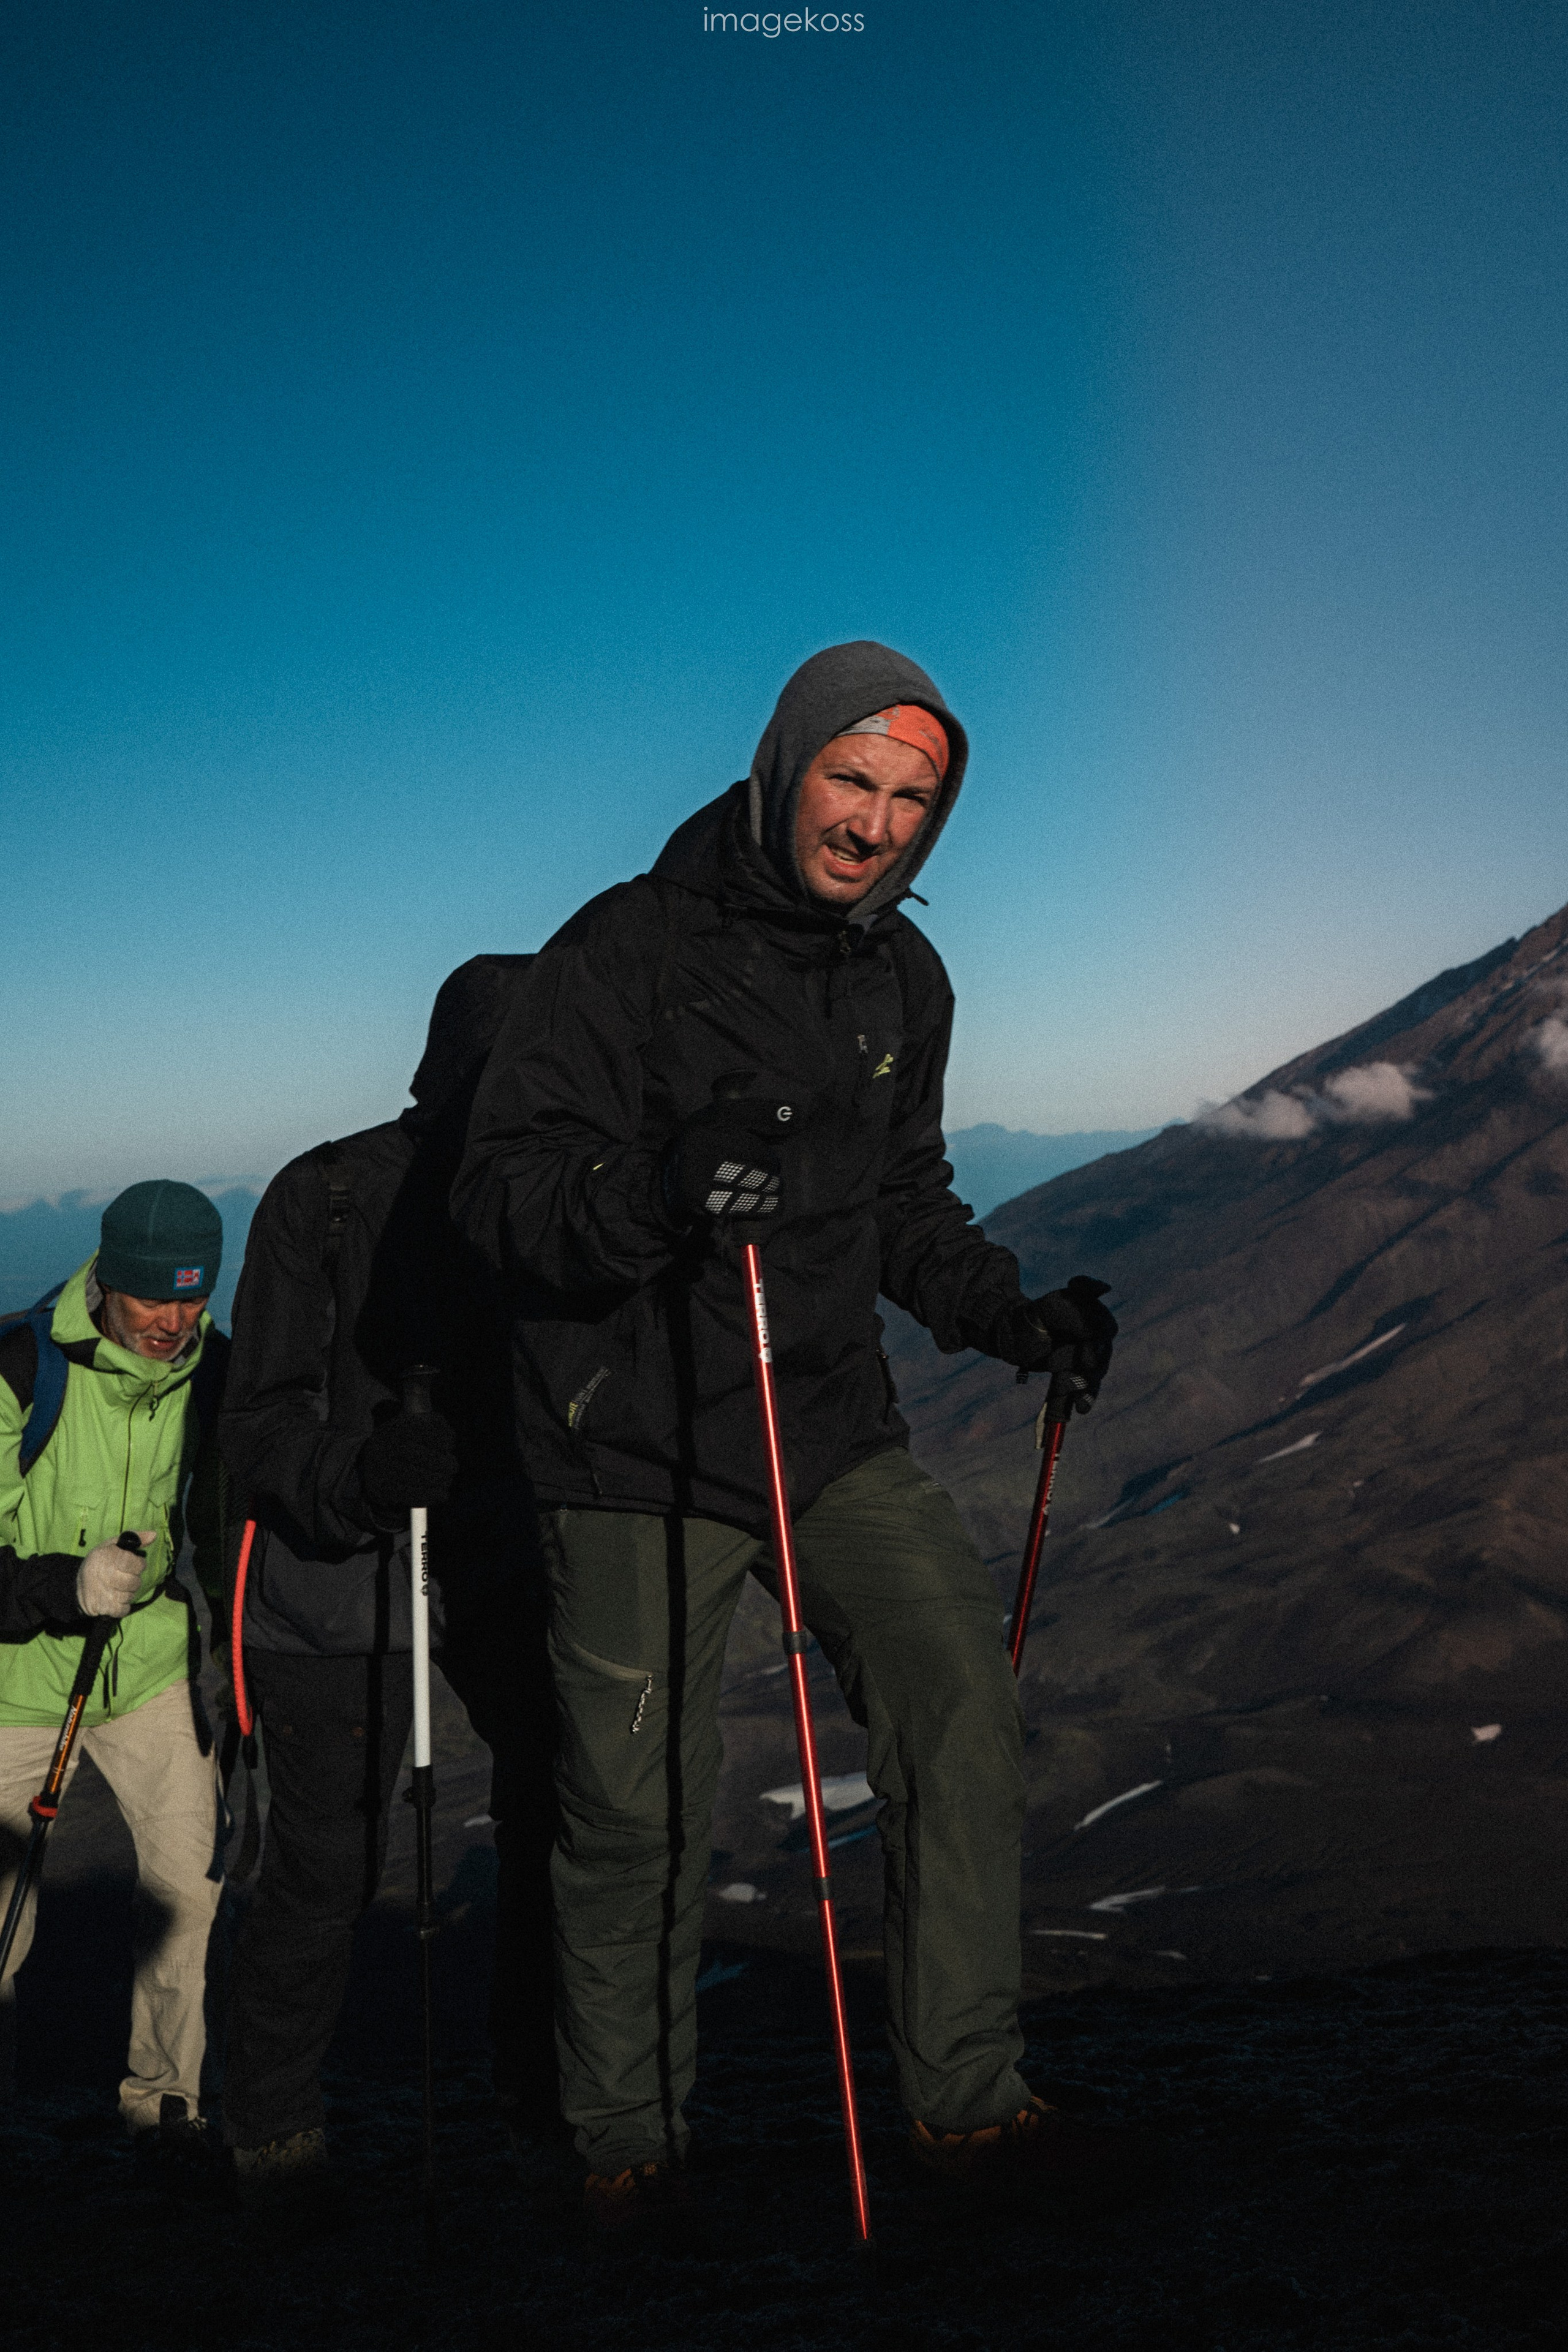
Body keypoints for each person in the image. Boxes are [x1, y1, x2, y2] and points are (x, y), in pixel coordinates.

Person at [454, 641, 1121, 2228]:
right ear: (783, 766)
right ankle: (628, 2155)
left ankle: (968, 2107)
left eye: (912, 796)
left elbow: (906, 1204)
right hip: (630, 1444)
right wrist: (652, 1194)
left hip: (820, 1422)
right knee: (640, 1805)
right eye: (853, 778)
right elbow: (502, 1200)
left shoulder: (904, 980)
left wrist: (1010, 1314)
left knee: (961, 1698)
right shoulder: (623, 954)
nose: (878, 821)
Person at [217, 955, 558, 2196]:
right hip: (343, 1580)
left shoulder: (549, 1192)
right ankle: (269, 2132)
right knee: (324, 1872)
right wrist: (364, 1477)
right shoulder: (328, 1198)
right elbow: (255, 1431)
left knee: (557, 1828)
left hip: (504, 1562)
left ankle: (541, 2100)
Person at [0, 1181, 228, 2154]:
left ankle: (165, 2108)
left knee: (187, 1895)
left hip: (151, 1675)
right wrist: (64, 1583)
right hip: (13, 1685)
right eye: (152, 1301)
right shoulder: (20, 1366)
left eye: (192, 1297)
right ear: (107, 1284)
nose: (172, 1322)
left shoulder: (215, 1370)